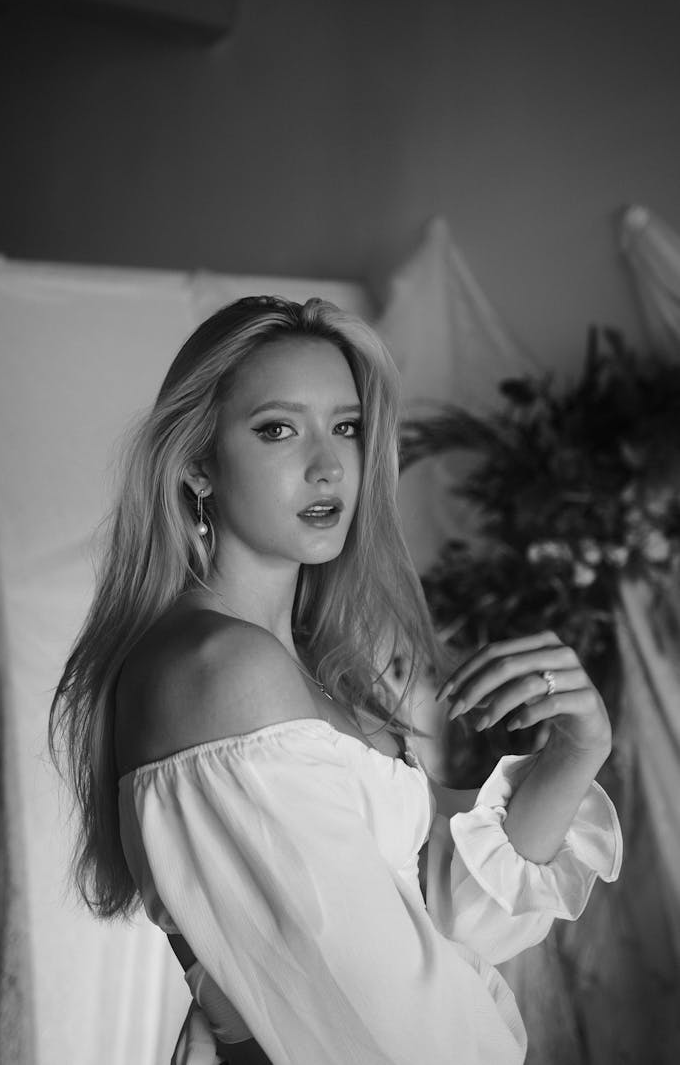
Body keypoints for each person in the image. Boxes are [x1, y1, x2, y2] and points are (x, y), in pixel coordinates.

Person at [50, 295, 622, 1065]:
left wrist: (575, 753)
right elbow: (383, 1029)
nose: (328, 465)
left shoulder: (316, 670)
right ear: (196, 465)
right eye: (278, 429)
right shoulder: (223, 672)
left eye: (345, 427)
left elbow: (437, 921)